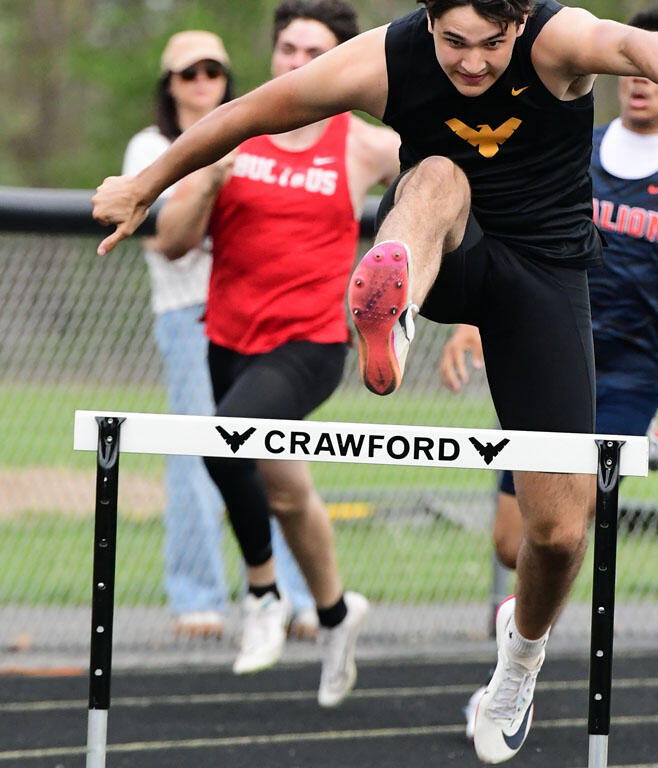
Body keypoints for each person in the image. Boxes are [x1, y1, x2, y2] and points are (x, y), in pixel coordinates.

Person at [91, 0, 658, 760]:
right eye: (454, 43)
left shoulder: (557, 39)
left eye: (492, 45)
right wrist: (145, 182)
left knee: (557, 532)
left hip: (544, 286)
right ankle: (395, 307)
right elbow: (251, 111)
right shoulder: (385, 58)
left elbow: (627, 40)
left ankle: (517, 663)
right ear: (428, 22)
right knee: (437, 175)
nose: (474, 63)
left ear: (520, 26)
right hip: (446, 247)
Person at [437, 3, 658, 740]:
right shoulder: (571, 146)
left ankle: (509, 678)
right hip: (541, 352)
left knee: (566, 533)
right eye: (632, 68)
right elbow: (503, 243)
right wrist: (472, 328)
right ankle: (634, 459)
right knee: (514, 544)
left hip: (629, 369)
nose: (639, 84)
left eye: (655, 71)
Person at [151, 0, 401, 705]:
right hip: (228, 339)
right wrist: (207, 177)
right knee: (288, 493)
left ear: (340, 62)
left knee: (223, 442)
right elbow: (170, 243)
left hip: (311, 344)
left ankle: (260, 593)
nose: (297, 64)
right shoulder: (231, 132)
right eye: (287, 49)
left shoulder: (365, 145)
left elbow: (448, 194)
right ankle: (334, 612)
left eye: (312, 52)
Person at [122, 30, 235, 638]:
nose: (201, 82)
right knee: (194, 455)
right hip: (189, 310)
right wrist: (215, 167)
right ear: (169, 84)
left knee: (275, 452)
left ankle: (292, 598)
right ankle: (198, 596)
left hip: (253, 310)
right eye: (188, 73)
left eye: (212, 71)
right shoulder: (150, 146)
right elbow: (168, 237)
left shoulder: (253, 132)